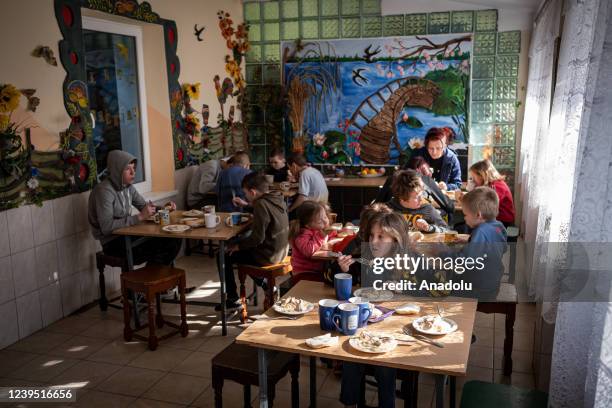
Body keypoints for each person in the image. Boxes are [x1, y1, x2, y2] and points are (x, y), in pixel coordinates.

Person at [337, 210, 412, 408]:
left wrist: (407, 288)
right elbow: (334, 277)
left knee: (385, 366)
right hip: (368, 324)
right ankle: (350, 403)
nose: (373, 241)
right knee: (351, 355)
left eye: (381, 237)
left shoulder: (409, 261)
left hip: (397, 329)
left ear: (396, 239)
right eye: (371, 236)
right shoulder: (366, 257)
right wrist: (343, 270)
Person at [88, 150, 180, 265]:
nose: (133, 172)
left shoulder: (127, 187)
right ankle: (150, 279)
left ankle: (153, 279)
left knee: (174, 237)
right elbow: (106, 227)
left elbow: (144, 206)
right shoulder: (104, 191)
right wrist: (139, 217)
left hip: (127, 236)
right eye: (127, 169)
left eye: (133, 168)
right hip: (113, 244)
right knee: (165, 242)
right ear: (117, 170)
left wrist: (164, 208)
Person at [219, 172, 289, 309]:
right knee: (243, 245)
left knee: (225, 254)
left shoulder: (261, 205)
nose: (245, 196)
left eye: (246, 194)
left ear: (253, 192)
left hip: (269, 255)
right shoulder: (275, 198)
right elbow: (264, 210)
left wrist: (238, 247)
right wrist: (245, 205)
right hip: (280, 251)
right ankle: (264, 283)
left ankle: (232, 298)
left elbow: (257, 238)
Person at [455, 187, 508, 300]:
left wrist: (442, 253)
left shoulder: (481, 232)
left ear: (478, 215)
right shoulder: (498, 226)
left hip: (478, 290)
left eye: (465, 214)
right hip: (492, 285)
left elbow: (466, 261)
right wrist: (470, 240)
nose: (464, 218)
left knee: (438, 285)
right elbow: (501, 247)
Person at [460, 160, 515, 227]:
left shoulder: (497, 186)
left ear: (482, 175)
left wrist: (466, 200)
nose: (473, 180)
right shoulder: (489, 185)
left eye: (474, 177)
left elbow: (484, 206)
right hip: (493, 218)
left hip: (502, 221)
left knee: (470, 222)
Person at [289, 201, 333, 278]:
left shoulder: (318, 229)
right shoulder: (301, 235)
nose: (325, 221)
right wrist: (321, 236)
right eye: (320, 221)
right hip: (304, 272)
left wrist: (341, 231)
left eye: (325, 217)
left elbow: (331, 235)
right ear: (308, 225)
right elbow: (309, 251)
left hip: (317, 269)